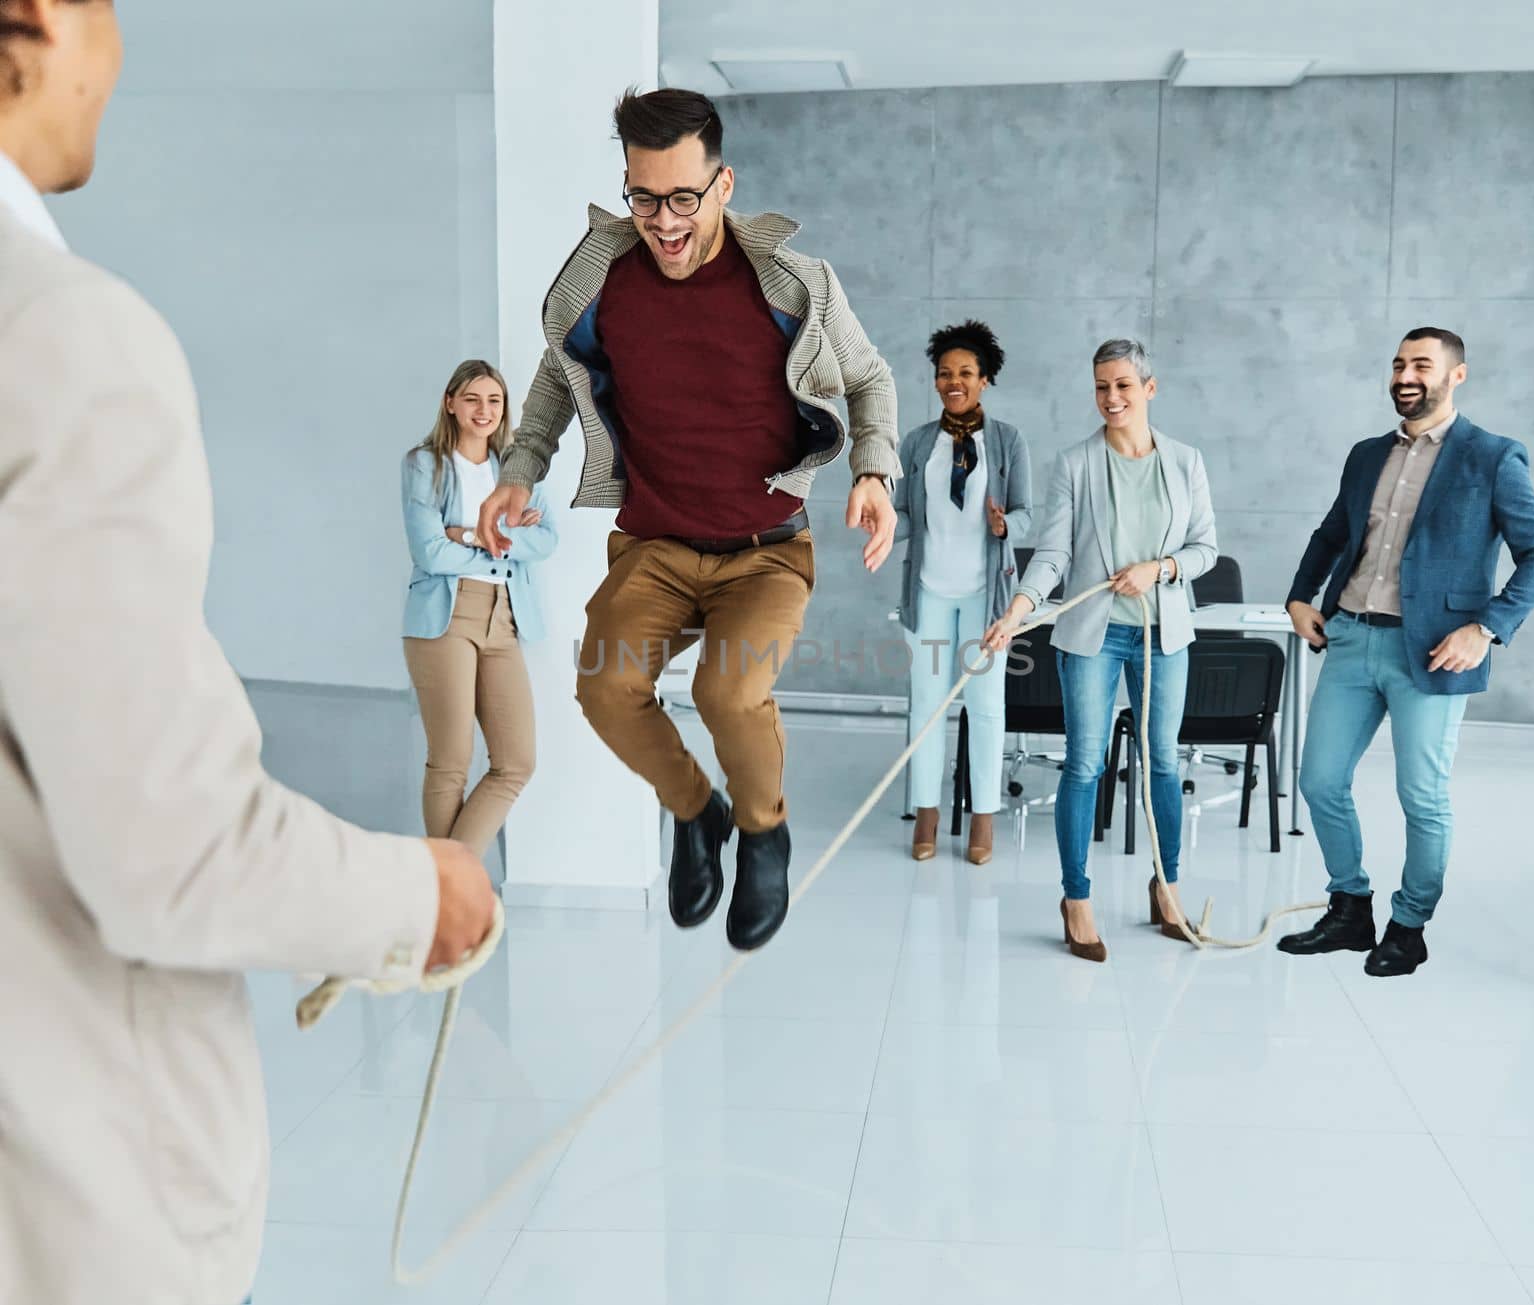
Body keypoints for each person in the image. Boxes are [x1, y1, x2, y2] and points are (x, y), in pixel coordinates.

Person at [0, 4, 496, 1302]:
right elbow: (170, 846)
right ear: (49, 20)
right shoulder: (59, 338)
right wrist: (414, 903)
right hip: (62, 1211)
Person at [475, 88, 900, 951]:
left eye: (682, 198)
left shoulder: (795, 287)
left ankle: (765, 832)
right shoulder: (602, 277)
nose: (662, 221)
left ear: (723, 183)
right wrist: (521, 468)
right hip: (657, 546)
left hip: (765, 551)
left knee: (727, 690)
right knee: (605, 686)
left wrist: (874, 469)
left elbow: (870, 378)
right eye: (642, 196)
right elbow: (561, 377)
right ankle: (696, 815)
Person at [1279, 328, 1534, 976]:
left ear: (1455, 375)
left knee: (1422, 796)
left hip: (1433, 652)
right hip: (1350, 637)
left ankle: (1408, 925)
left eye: (1422, 365)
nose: (1406, 374)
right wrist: (1300, 596)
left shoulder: (1492, 456)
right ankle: (1350, 907)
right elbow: (1331, 534)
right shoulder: (1366, 454)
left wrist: (1485, 628)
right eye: (1400, 363)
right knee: (1319, 780)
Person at [985, 339, 1217, 962]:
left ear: (1149, 387)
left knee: (1163, 763)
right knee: (1085, 765)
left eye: (1122, 386)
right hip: (1092, 634)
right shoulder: (1075, 464)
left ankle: (1166, 886)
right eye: (1100, 387)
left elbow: (1206, 549)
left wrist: (1162, 568)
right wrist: (1017, 610)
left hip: (1162, 634)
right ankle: (1077, 897)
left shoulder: (1186, 461)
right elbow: (1054, 554)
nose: (1111, 398)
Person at [402, 359, 557, 856]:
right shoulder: (425, 464)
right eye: (472, 399)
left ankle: (447, 883)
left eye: (494, 400)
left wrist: (469, 535)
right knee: (451, 759)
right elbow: (429, 551)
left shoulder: (514, 469)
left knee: (516, 761)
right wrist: (486, 535)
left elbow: (547, 540)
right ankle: (453, 895)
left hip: (504, 616)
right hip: (448, 617)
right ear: (451, 403)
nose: (484, 410)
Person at [893, 320, 1032, 865]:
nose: (955, 381)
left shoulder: (1007, 441)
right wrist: (880, 524)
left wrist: (1005, 528)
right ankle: (926, 815)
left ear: (985, 380)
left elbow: (1025, 515)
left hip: (985, 598)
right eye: (945, 374)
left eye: (966, 373)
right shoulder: (917, 444)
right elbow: (906, 515)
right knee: (926, 705)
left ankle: (982, 820)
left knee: (985, 704)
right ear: (935, 382)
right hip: (928, 592)